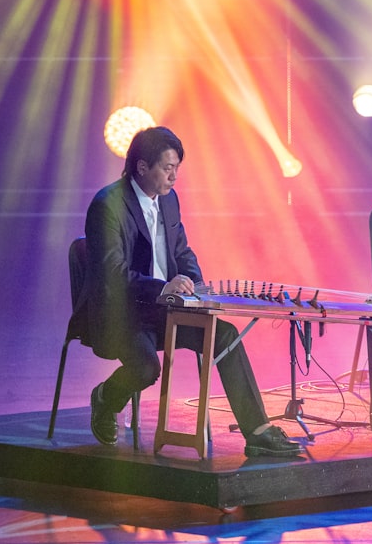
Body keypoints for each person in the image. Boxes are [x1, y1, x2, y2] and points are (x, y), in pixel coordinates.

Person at [77, 126, 301, 457]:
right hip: (119, 311)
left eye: (177, 168)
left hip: (163, 307)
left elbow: (182, 252)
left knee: (225, 335)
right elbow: (112, 274)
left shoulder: (168, 201)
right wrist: (161, 287)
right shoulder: (108, 205)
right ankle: (105, 397)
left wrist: (196, 287)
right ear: (141, 167)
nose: (174, 177)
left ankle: (257, 432)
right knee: (145, 368)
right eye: (168, 168)